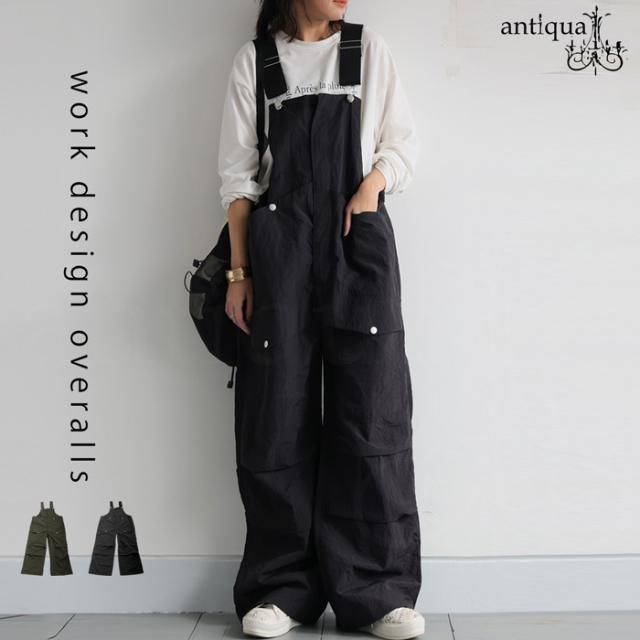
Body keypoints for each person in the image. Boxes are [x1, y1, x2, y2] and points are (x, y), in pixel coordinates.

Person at [218, 1, 423, 638]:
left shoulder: (366, 49)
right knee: (276, 419)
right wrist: (239, 273)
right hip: (278, 257)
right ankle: (282, 590)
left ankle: (378, 592)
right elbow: (238, 179)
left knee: (373, 413)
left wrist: (370, 188)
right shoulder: (256, 61)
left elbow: (402, 144)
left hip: (357, 247)